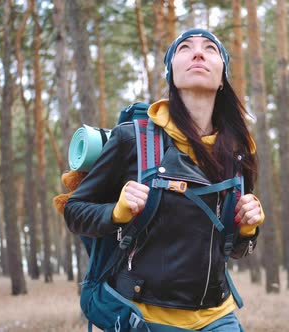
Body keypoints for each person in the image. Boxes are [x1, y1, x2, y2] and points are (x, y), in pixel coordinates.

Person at [64, 28, 265, 331]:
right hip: (145, 318)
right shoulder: (132, 139)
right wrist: (117, 213)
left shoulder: (237, 152)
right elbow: (74, 210)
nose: (198, 52)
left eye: (210, 49)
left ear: (222, 78)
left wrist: (248, 230)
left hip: (219, 318)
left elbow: (233, 249)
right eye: (185, 48)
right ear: (171, 73)